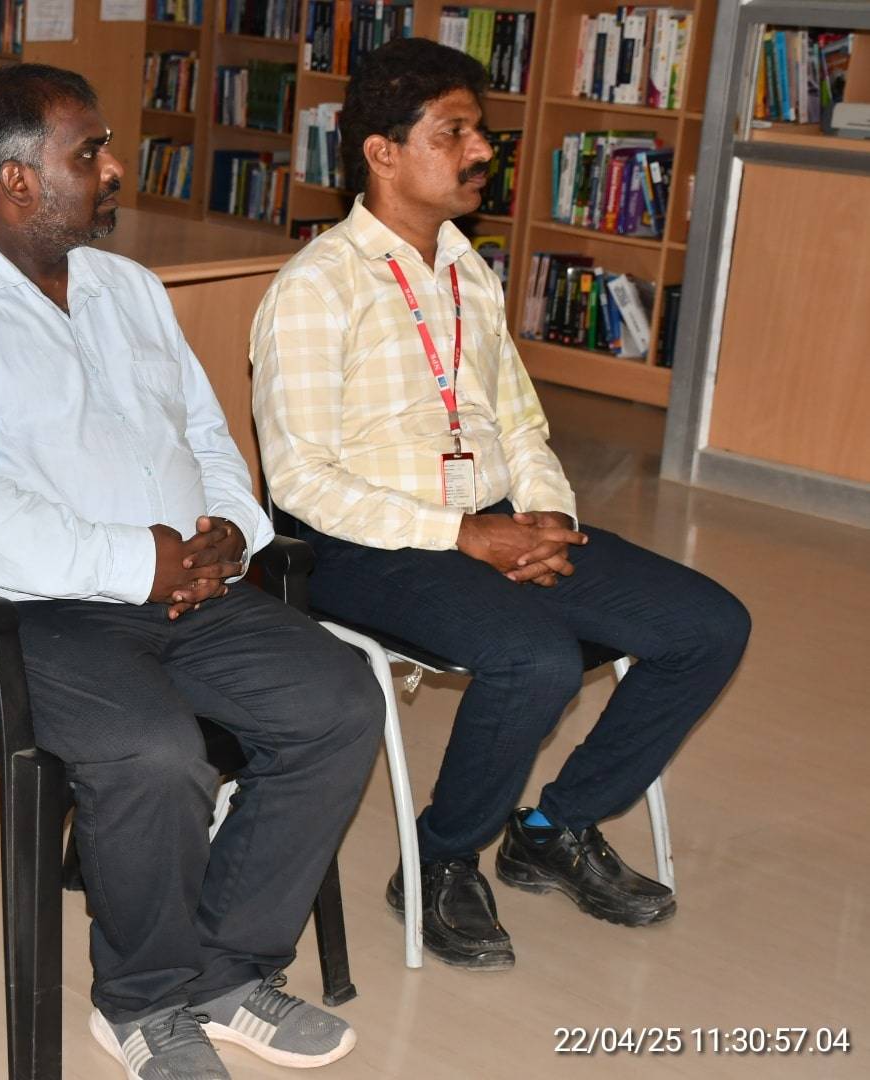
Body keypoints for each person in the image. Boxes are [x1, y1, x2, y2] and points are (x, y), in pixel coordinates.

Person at [0, 64, 383, 1080]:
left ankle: (226, 973)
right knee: (153, 749)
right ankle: (143, 1001)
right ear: (16, 181)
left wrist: (229, 529)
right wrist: (137, 561)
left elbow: (206, 436)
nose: (114, 168)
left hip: (170, 588)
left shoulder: (126, 288)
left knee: (339, 700)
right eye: (88, 152)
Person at [250, 38, 750, 971]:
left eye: (480, 131)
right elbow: (299, 482)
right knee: (534, 659)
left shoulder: (466, 269)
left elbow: (519, 421)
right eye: (454, 133)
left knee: (708, 626)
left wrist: (547, 518)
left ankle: (554, 828)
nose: (481, 151)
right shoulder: (315, 288)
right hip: (367, 546)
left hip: (497, 520)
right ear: (383, 153)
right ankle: (442, 857)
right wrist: (460, 534)